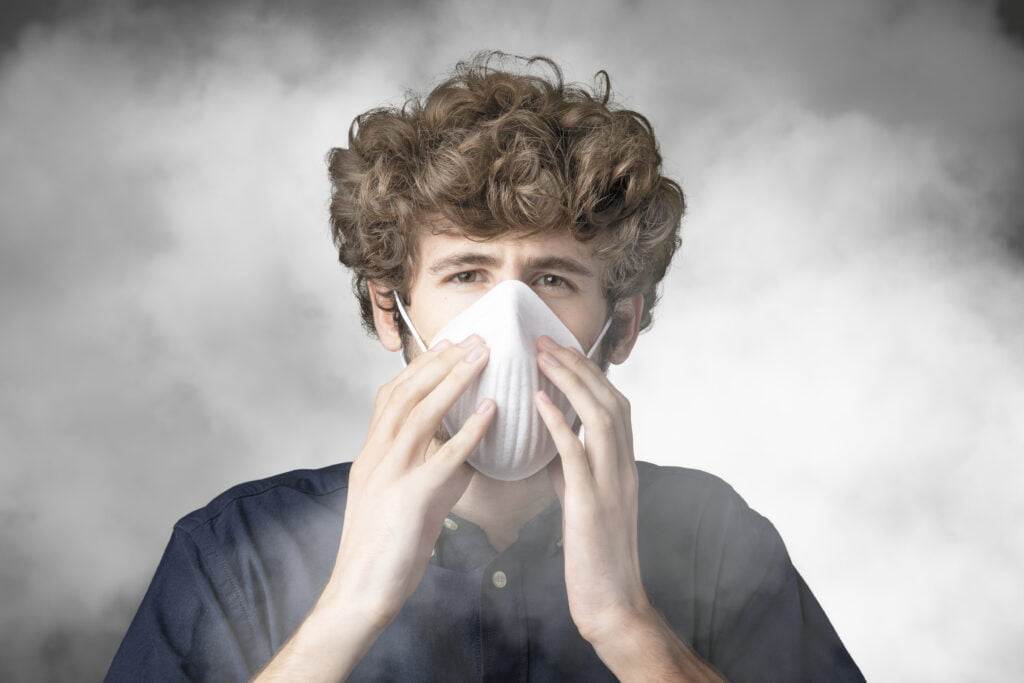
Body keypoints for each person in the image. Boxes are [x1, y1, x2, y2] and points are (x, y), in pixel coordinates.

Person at [106, 51, 864, 682]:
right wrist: (353, 602)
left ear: (622, 325)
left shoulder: (713, 539)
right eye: (467, 274)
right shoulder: (236, 548)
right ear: (385, 307)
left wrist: (626, 623)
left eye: (553, 279)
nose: (508, 315)